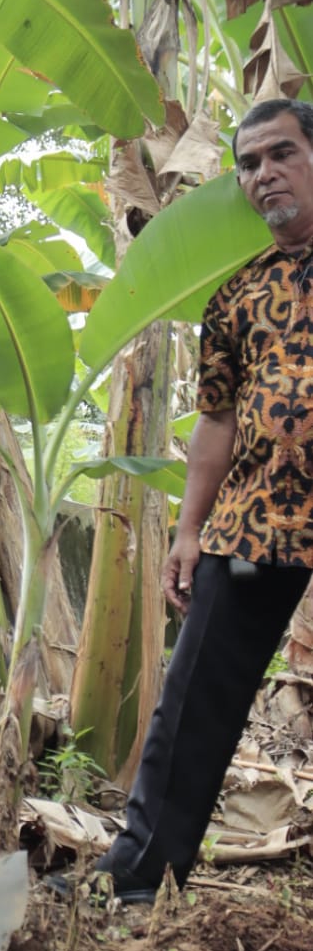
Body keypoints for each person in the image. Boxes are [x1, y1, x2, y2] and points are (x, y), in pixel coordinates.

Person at [50, 97, 313, 906]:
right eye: (248, 163)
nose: (263, 173)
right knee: (193, 701)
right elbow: (217, 420)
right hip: (256, 517)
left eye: (281, 153)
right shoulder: (235, 296)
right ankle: (137, 875)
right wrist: (189, 528)